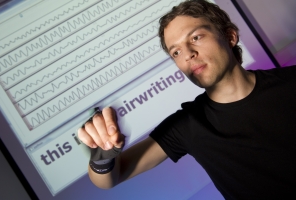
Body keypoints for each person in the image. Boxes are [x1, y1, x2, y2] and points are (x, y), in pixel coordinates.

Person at [78, 0, 296, 199]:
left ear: (230, 36)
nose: (188, 54)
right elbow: (111, 178)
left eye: (196, 37)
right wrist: (102, 157)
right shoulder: (188, 125)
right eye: (176, 52)